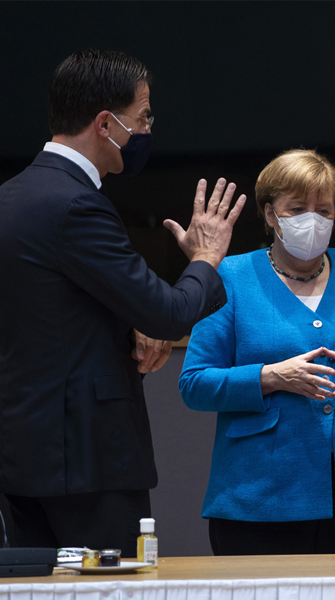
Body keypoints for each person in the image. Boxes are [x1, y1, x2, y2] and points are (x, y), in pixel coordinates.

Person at [0, 49, 246, 556]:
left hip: (21, 457)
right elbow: (170, 313)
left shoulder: (11, 196)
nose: (148, 129)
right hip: (88, 460)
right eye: (144, 117)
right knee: (113, 589)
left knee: (34, 588)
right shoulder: (77, 204)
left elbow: (53, 307)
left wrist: (130, 320)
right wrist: (205, 257)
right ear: (105, 124)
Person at [179, 149, 335, 556]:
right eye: (297, 208)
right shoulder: (230, 276)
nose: (313, 220)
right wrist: (271, 377)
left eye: (324, 210)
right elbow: (195, 383)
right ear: (270, 214)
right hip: (258, 496)